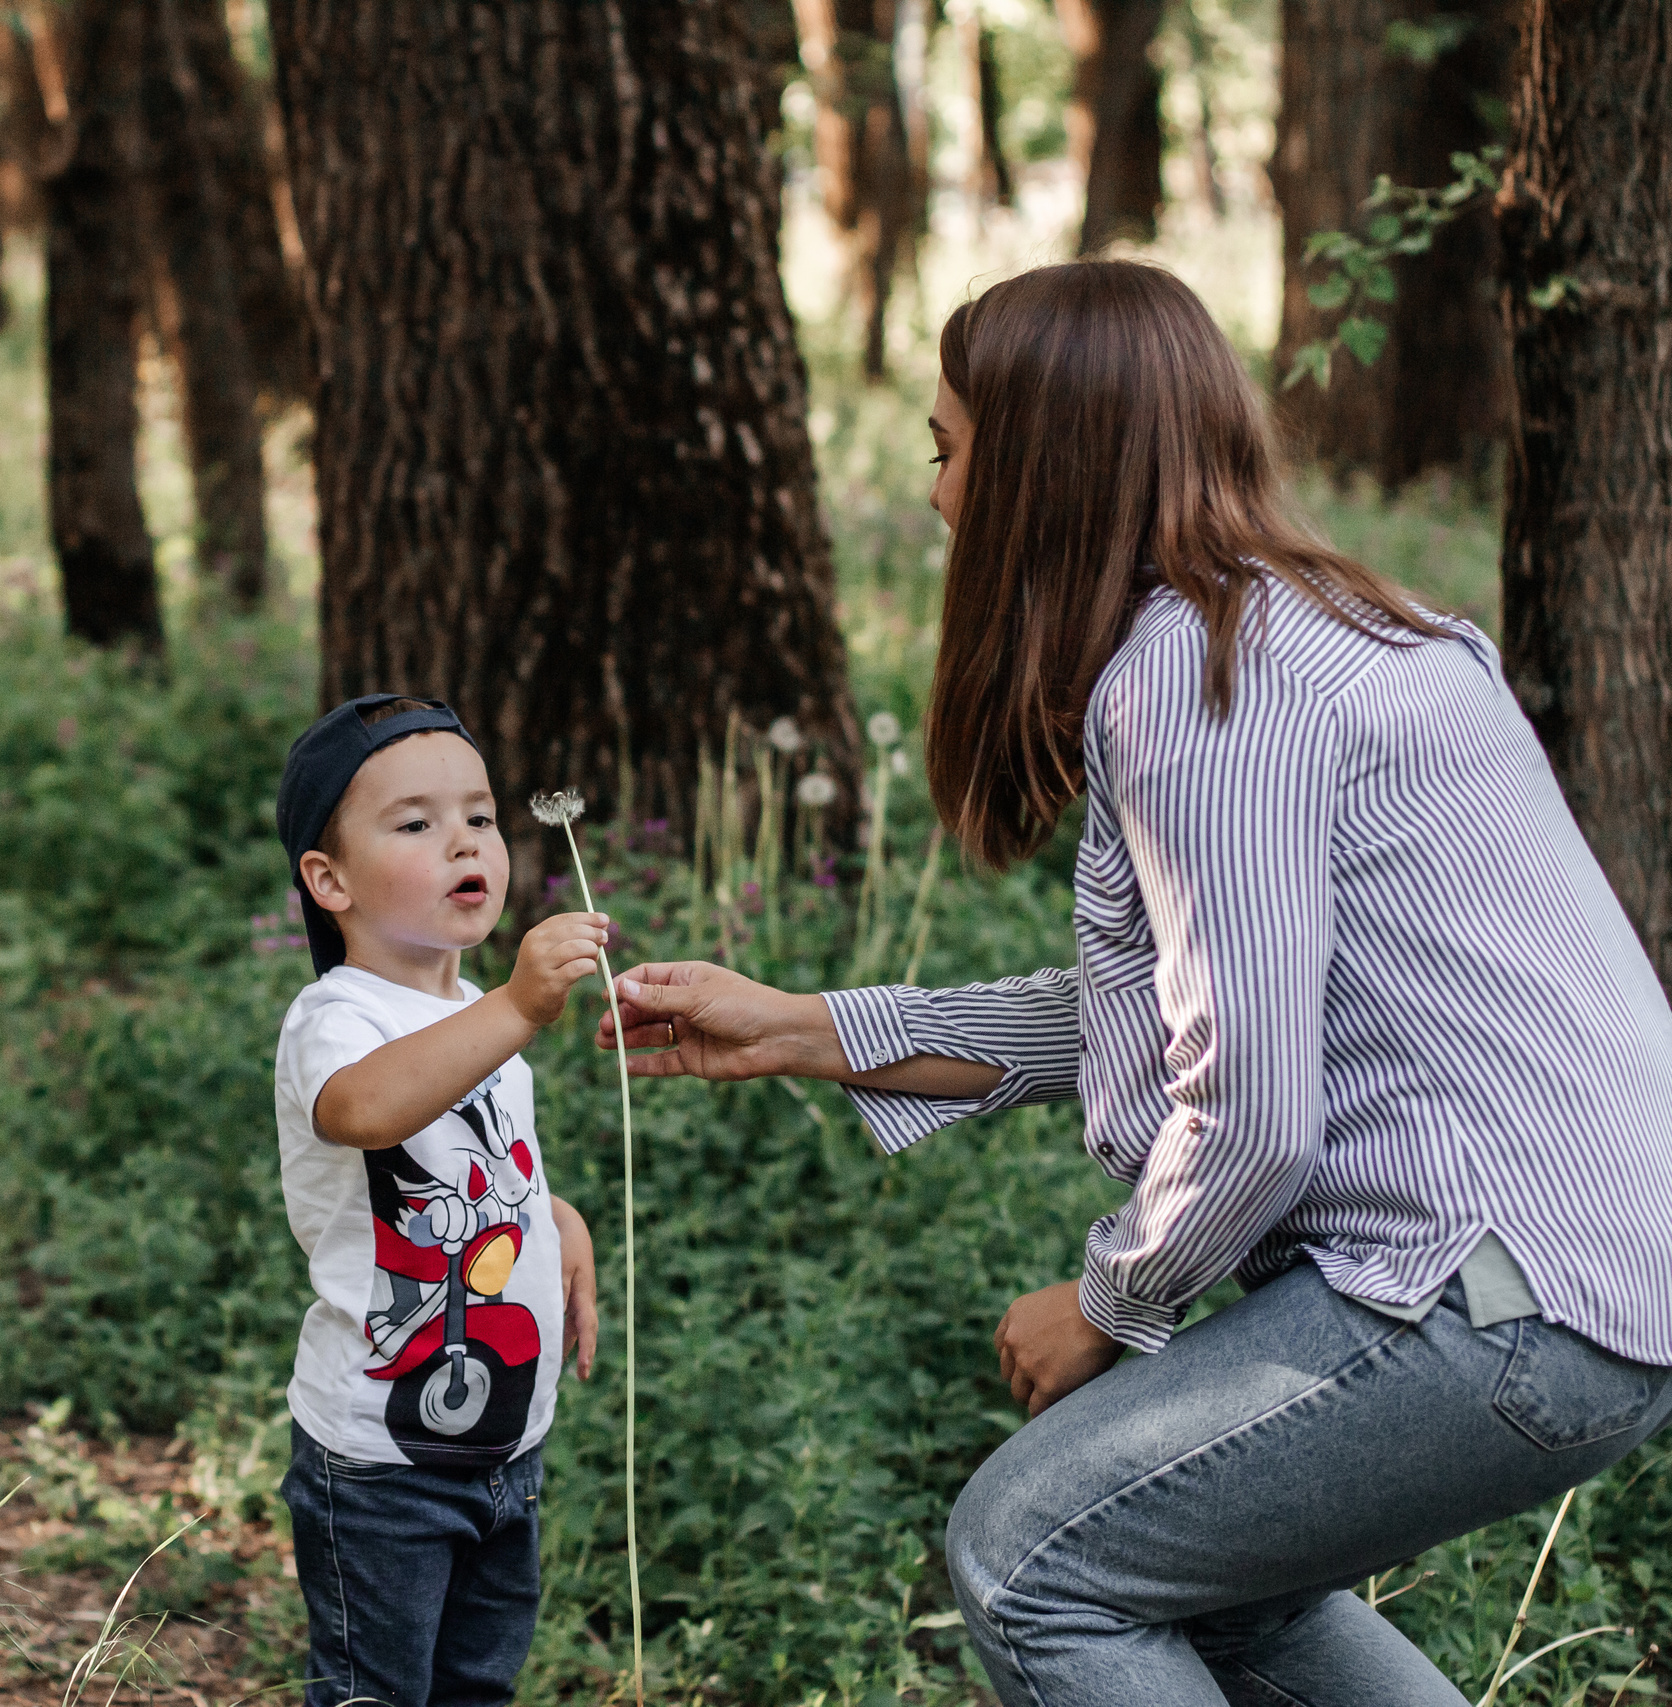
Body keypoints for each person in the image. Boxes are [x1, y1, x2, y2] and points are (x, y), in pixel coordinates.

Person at [599, 261, 1672, 1705]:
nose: (933, 492)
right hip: (1580, 1279)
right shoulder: (1316, 626)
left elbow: (1248, 1109)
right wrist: (806, 1028)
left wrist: (1113, 1296)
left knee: (1031, 1552)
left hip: (1489, 1289)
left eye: (946, 446)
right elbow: (1191, 1014)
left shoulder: (1197, 684)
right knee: (1212, 1584)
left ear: (1041, 464)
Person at [271, 693, 606, 1707]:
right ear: (330, 881)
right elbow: (368, 1110)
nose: (463, 839)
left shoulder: (470, 1015)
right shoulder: (336, 1019)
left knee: (476, 1684)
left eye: (479, 815)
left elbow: (486, 1160)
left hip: (508, 1447)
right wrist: (515, 1005)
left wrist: (554, 1219)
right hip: (378, 1464)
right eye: (415, 823)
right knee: (379, 1692)